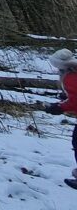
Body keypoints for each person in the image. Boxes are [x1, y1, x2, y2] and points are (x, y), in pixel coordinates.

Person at [45, 48, 77, 189]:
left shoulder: (70, 77)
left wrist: (59, 107)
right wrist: (66, 97)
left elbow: (75, 100)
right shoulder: (73, 73)